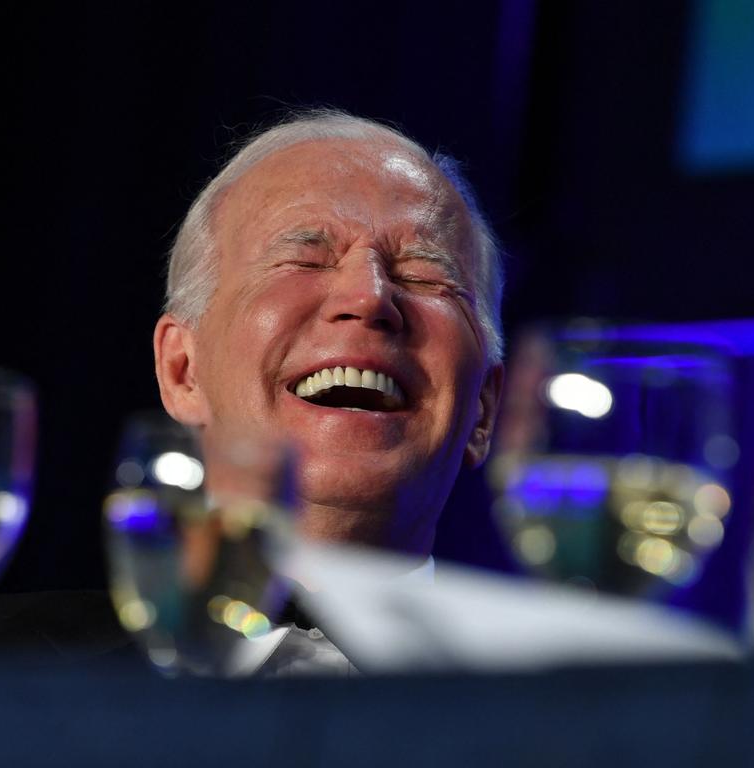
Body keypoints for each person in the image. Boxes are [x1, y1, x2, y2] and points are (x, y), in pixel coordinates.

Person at [152, 110, 505, 674]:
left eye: (423, 276)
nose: (369, 297)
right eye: (304, 259)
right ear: (182, 370)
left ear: (483, 408)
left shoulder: (586, 726)